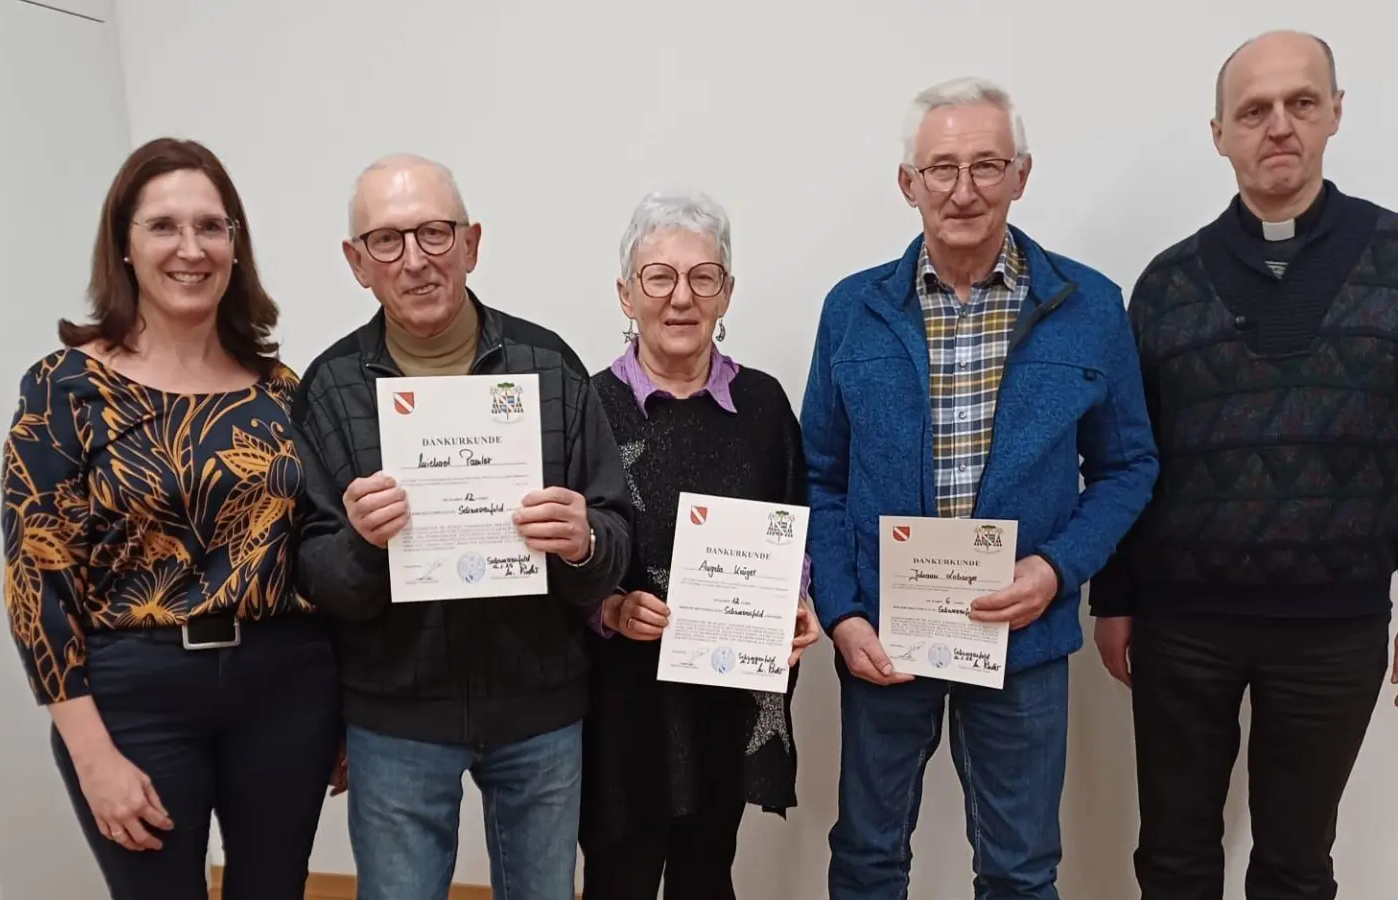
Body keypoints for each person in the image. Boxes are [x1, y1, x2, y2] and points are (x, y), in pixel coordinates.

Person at [1088, 31, 1398, 900]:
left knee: (1296, 862)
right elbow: (1125, 454)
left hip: (1334, 626)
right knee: (1172, 855)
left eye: (1299, 103)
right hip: (1179, 625)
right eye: (1253, 110)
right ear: (1219, 133)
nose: (1277, 126)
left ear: (1334, 114)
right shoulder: (1165, 284)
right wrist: (1114, 598)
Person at [801, 76, 1160, 899]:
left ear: (1021, 175)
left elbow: (1127, 467)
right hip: (884, 642)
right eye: (941, 168)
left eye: (987, 165)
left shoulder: (1088, 306)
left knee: (1020, 869)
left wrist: (1057, 569)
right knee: (866, 858)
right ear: (908, 184)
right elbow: (820, 474)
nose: (963, 190)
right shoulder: (850, 311)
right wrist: (844, 613)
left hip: (1022, 643)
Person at [0, 137, 341, 899]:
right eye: (163, 226)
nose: (191, 249)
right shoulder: (67, 387)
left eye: (211, 227)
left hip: (287, 686)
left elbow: (314, 549)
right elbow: (37, 582)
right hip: (134, 695)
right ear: (123, 244)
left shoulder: (281, 389)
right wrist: (90, 753)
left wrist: (343, 703)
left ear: (234, 244)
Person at [290, 153, 633, 900]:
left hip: (540, 707)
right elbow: (315, 576)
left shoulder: (550, 367)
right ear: (356, 263)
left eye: (434, 234)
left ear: (472, 243)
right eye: (386, 241)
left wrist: (585, 540)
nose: (414, 261)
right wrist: (360, 545)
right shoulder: (328, 388)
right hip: (395, 719)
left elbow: (614, 536)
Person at [578, 188, 821, 899]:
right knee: (618, 873)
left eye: (702, 277)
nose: (680, 297)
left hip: (724, 689)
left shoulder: (764, 405)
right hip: (619, 696)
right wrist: (608, 609)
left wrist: (798, 599)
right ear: (627, 294)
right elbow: (557, 554)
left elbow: (796, 518)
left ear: (726, 292)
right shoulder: (586, 407)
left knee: (706, 871)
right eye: (659, 277)